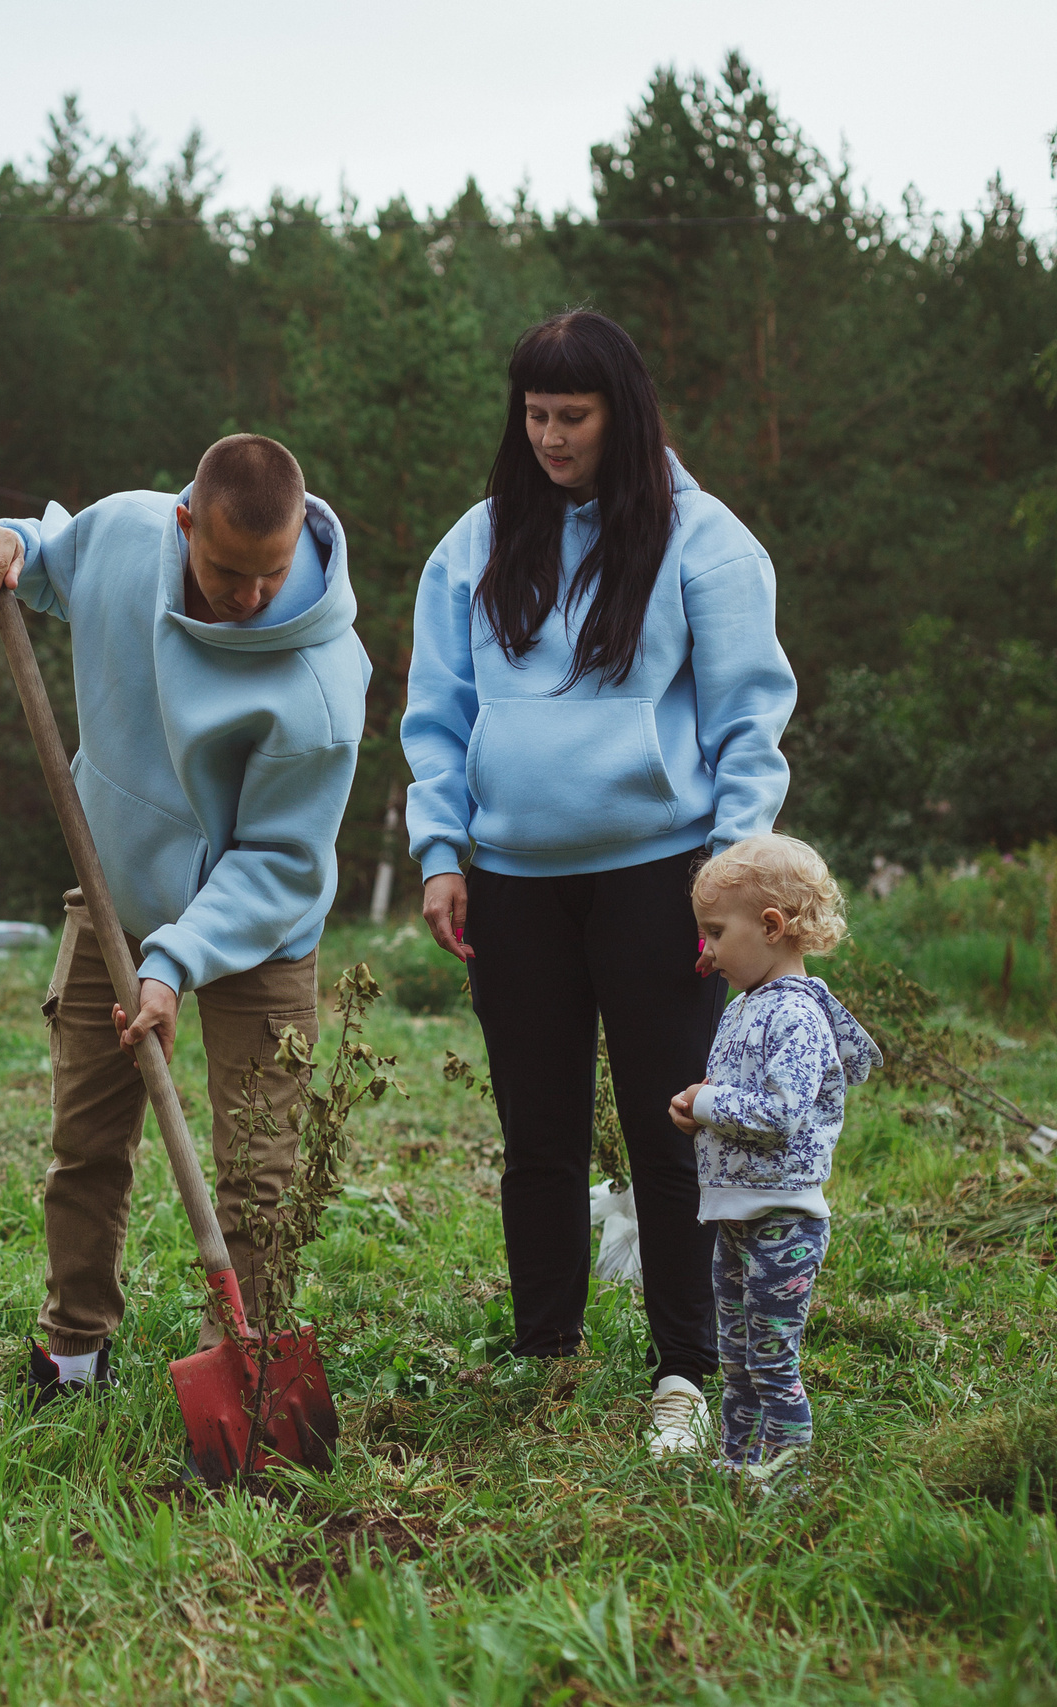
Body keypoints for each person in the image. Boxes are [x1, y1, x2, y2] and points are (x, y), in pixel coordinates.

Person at [401, 310, 798, 1458]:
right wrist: (442, 850)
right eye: (533, 416)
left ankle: (685, 1364)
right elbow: (436, 716)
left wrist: (728, 880)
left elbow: (746, 723)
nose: (551, 437)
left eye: (571, 416)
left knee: (672, 1125)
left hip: (660, 880)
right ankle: (546, 1352)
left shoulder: (705, 544)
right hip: (514, 881)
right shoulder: (471, 547)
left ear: (620, 415)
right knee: (537, 1129)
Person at [0, 433, 370, 1404]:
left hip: (256, 938)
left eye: (269, 575)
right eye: (227, 570)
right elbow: (49, 559)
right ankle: (72, 1352)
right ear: (185, 522)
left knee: (257, 1179)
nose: (249, 597)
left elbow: (275, 862)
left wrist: (176, 961)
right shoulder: (129, 533)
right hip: (114, 905)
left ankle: (251, 1369)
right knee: (87, 1143)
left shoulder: (317, 686)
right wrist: (6, 539)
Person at [667, 833, 879, 1487]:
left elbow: (780, 1115)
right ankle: (737, 1461)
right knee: (736, 1355)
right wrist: (698, 1111)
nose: (706, 949)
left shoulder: (795, 1015)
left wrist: (707, 1103)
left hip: (783, 1222)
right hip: (739, 1217)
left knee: (770, 1358)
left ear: (770, 926)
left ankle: (784, 1471)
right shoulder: (747, 1004)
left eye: (714, 932)